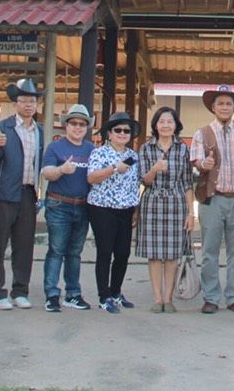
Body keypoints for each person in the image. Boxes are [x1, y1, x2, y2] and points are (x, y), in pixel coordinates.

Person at [190, 84, 234, 315]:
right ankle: (211, 297)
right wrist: (203, 164)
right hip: (212, 198)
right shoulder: (202, 133)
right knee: (209, 251)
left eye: (228, 103)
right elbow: (197, 162)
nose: (225, 107)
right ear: (213, 107)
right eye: (220, 103)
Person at [0, 78, 44, 310]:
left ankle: (20, 290)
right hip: (3, 193)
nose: (28, 105)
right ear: (15, 103)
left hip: (28, 193)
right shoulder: (3, 128)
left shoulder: (39, 131)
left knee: (24, 245)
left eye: (32, 101)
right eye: (24, 100)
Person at [137, 106, 195, 313]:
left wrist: (191, 213)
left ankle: (168, 298)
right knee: (154, 255)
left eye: (170, 122)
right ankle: (157, 298)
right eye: (161, 121)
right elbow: (144, 180)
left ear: (176, 125)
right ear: (155, 125)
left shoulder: (182, 149)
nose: (165, 125)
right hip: (152, 202)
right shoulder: (146, 148)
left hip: (176, 203)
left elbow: (187, 183)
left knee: (172, 254)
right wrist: (154, 169)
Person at [41, 104, 95, 312]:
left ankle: (73, 293)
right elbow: (46, 173)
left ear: (87, 127)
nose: (78, 127)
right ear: (66, 125)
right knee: (56, 250)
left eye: (82, 124)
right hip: (59, 204)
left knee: (74, 253)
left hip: (83, 205)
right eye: (74, 123)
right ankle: (52, 295)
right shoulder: (55, 147)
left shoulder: (92, 149)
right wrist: (62, 170)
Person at [86, 111, 141, 313]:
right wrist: (114, 168)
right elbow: (91, 178)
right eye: (118, 130)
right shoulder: (99, 153)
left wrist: (135, 210)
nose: (123, 133)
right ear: (109, 133)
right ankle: (104, 296)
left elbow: (136, 184)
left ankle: (116, 291)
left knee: (123, 252)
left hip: (126, 209)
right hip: (102, 208)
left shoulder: (133, 156)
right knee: (105, 252)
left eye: (127, 130)